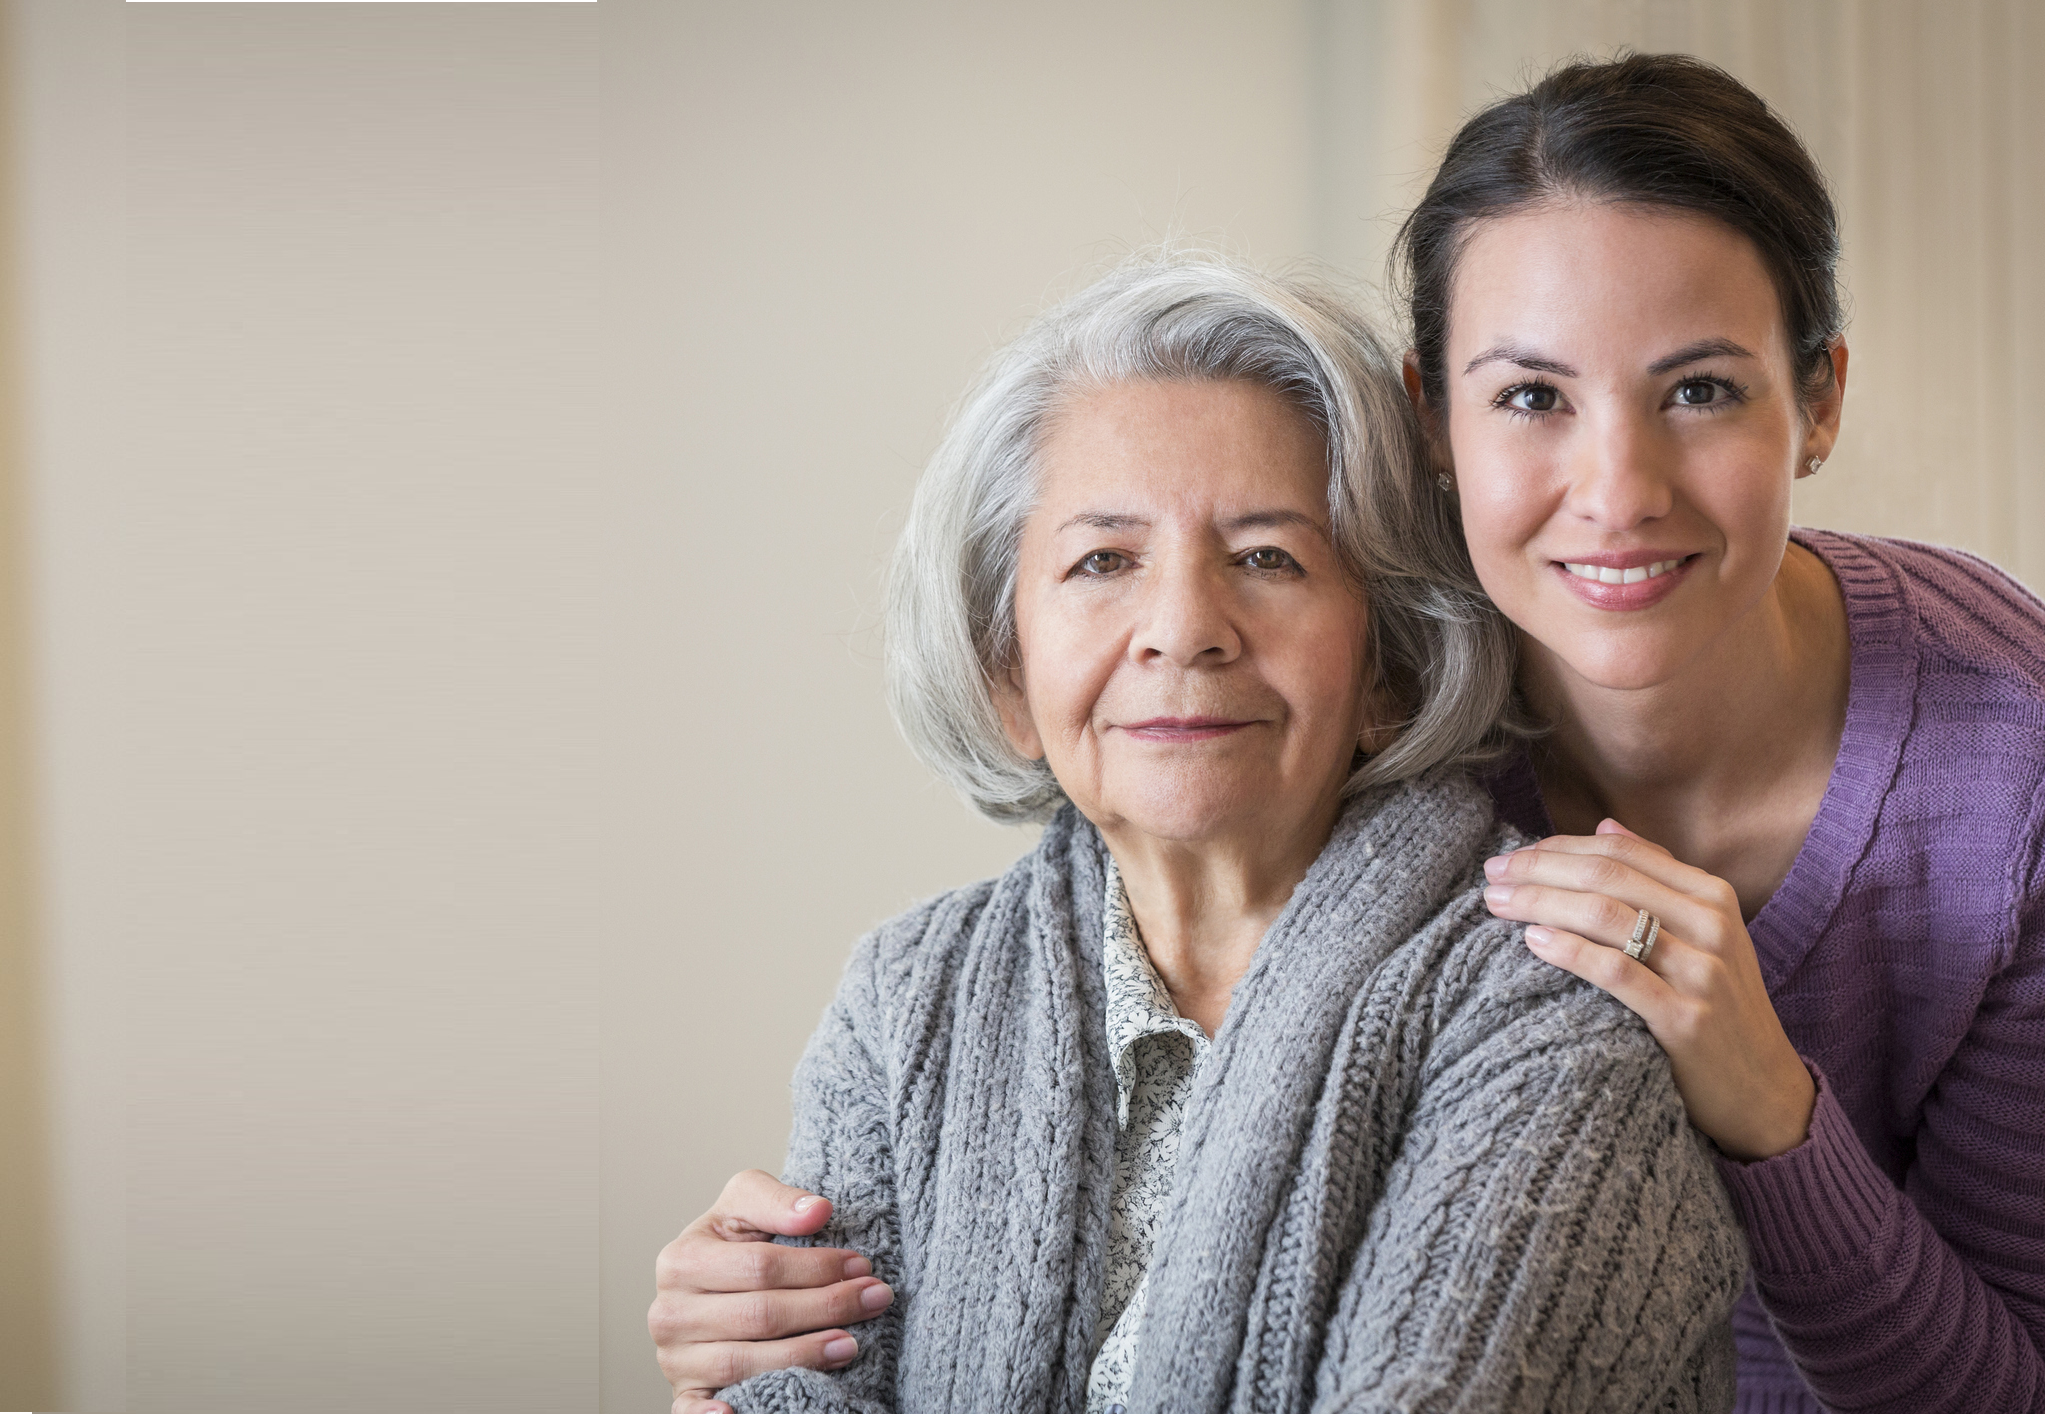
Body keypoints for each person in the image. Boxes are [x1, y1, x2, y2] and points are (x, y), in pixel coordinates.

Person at [653, 54, 2045, 1414]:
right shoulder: (1342, 716)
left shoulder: (2040, 777)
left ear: (1818, 400)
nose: (1614, 488)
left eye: (1700, 389)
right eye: (1530, 395)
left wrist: (1773, 1114)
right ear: (1434, 422)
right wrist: (747, 1307)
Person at [660, 256, 1746, 1414]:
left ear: (1389, 665)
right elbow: (795, 1394)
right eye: (1102, 561)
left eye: (1266, 558)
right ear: (1008, 677)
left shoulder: (1551, 1009)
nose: (1182, 629)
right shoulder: (904, 999)